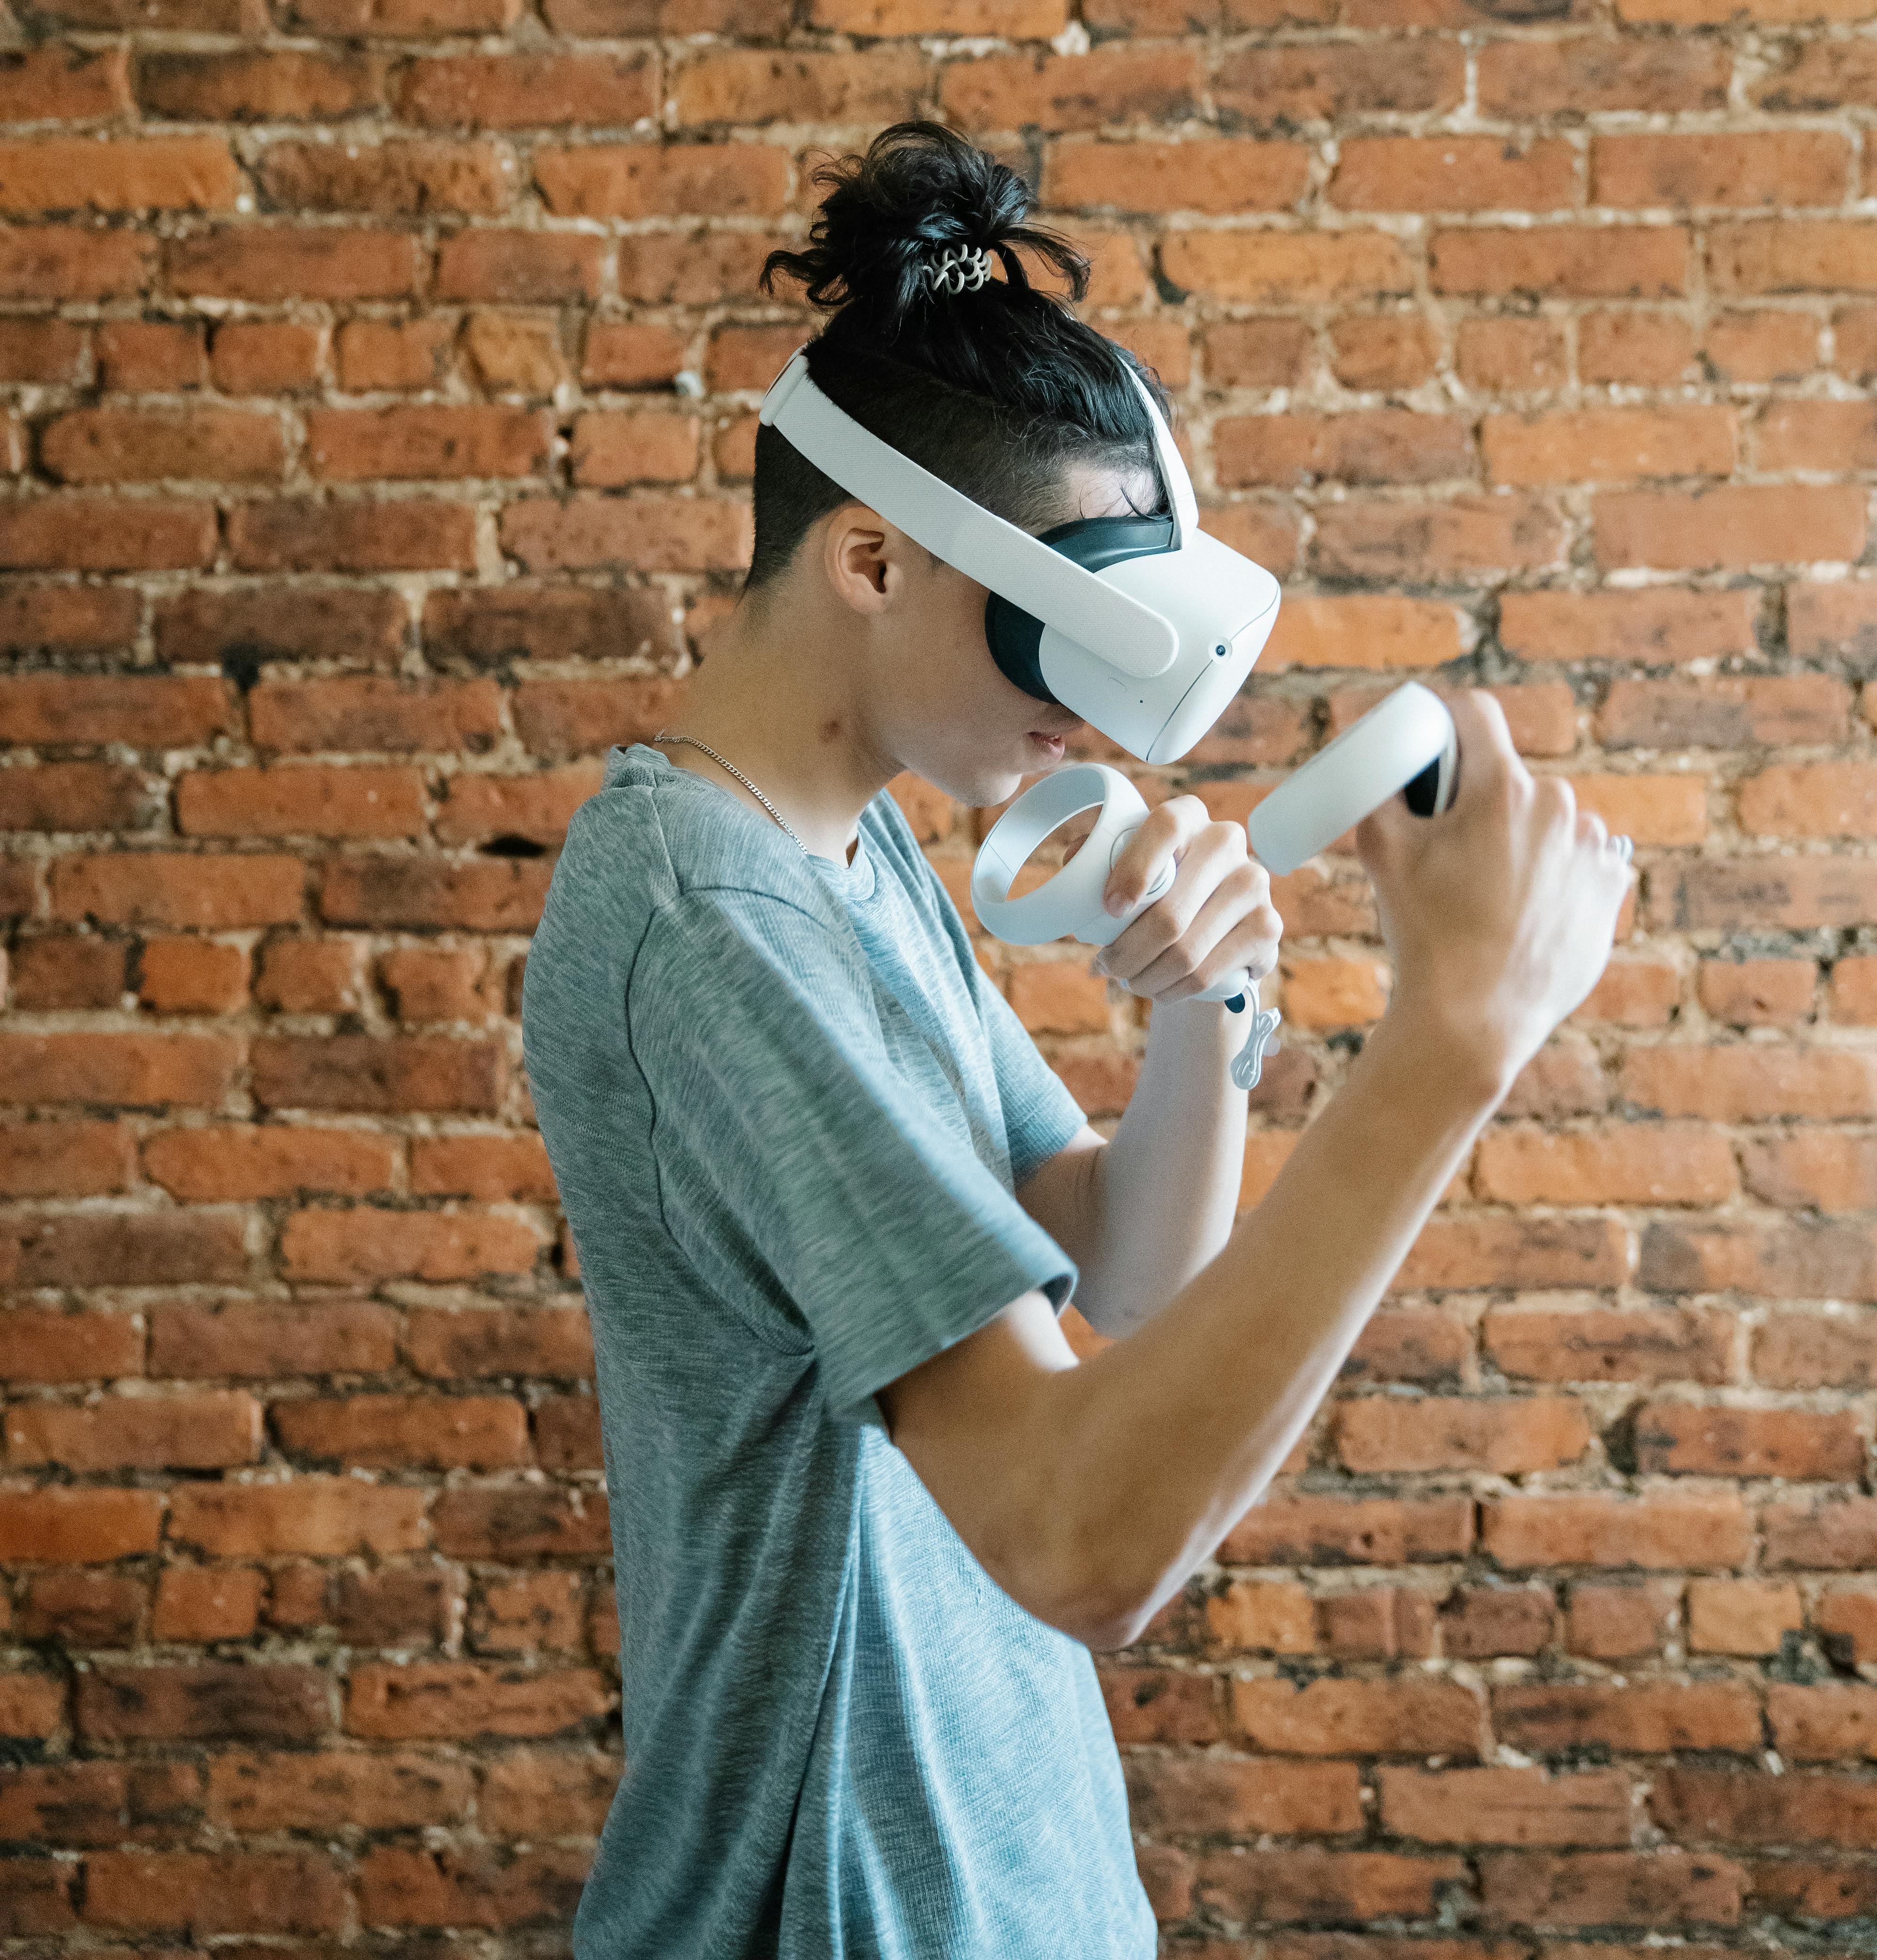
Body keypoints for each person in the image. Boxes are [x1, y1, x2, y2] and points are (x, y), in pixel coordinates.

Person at [522, 118, 1633, 1959]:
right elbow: (1073, 1533)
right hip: (847, 1900)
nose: (1094, 725)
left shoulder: (853, 845)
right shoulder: (706, 919)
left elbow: (1123, 1258)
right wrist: (1455, 1039)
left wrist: (1205, 1006)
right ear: (870, 564)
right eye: (1057, 642)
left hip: (1012, 1866)